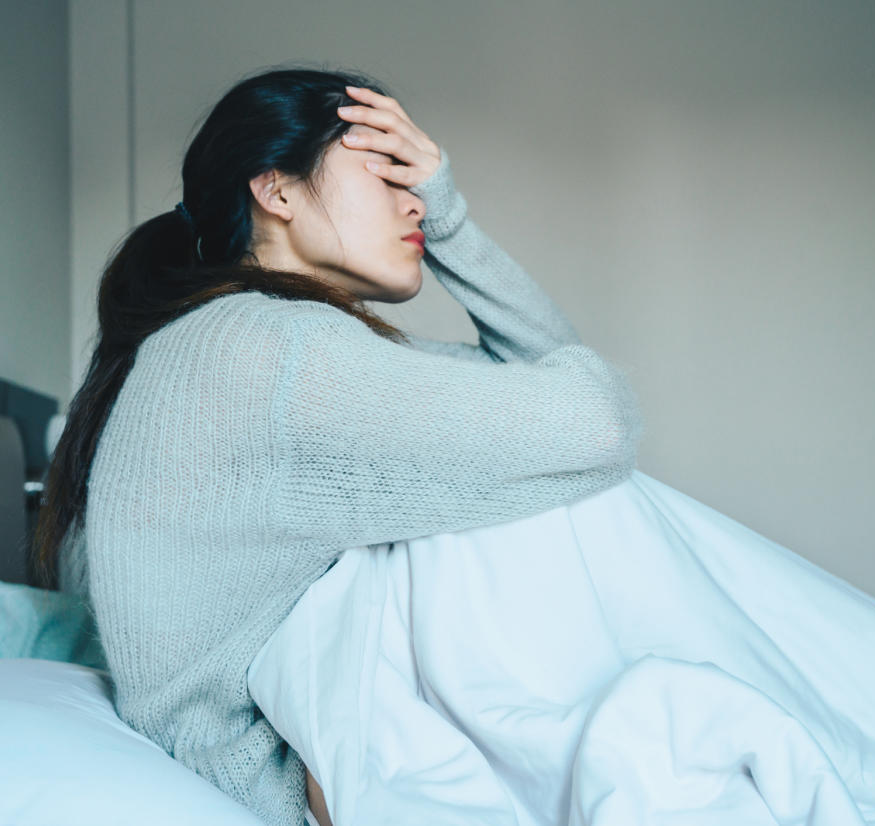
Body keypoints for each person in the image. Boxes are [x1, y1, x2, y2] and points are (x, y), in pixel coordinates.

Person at [32, 65, 643, 826]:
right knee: (584, 512)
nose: (417, 198)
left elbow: (544, 382)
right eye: (386, 174)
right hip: (286, 783)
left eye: (417, 185)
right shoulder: (263, 349)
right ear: (277, 191)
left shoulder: (252, 338)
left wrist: (447, 219)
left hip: (295, 763)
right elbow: (597, 424)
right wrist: (451, 226)